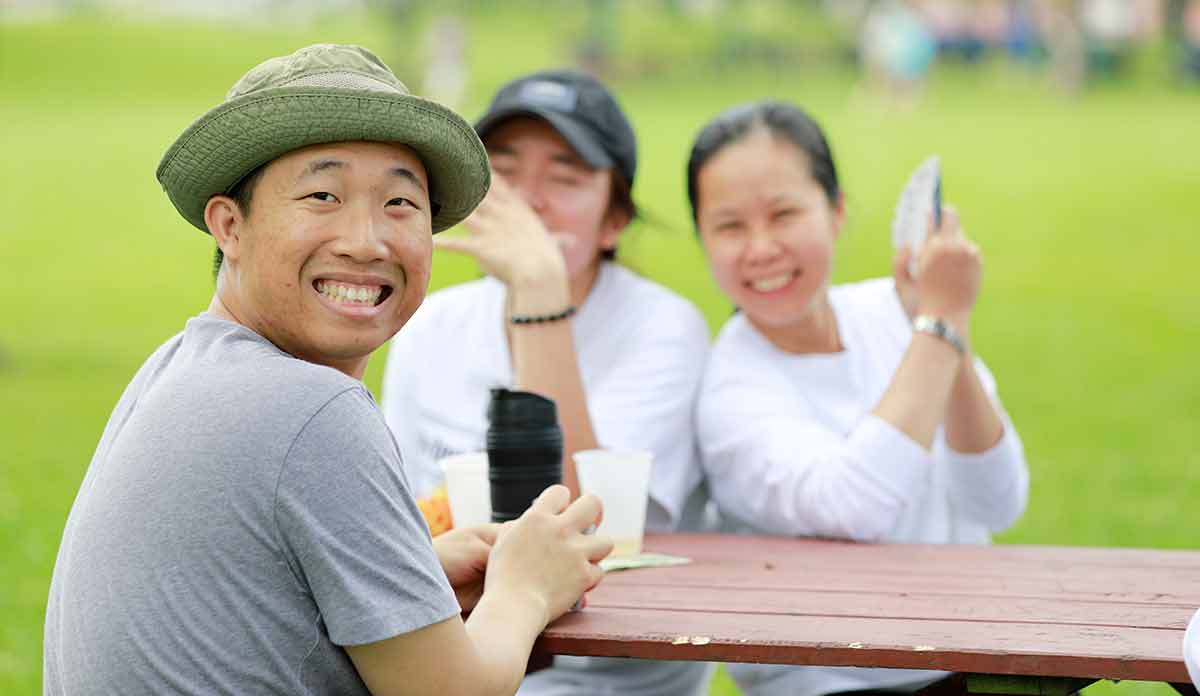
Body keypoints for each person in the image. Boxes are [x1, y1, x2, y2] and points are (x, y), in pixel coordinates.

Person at [43, 44, 612, 696]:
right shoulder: (311, 408)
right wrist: (525, 588)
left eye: (400, 203)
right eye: (322, 195)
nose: (365, 241)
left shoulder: (178, 367)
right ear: (230, 225)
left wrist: (412, 572)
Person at [381, 70, 714, 695]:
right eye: (503, 172)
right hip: (458, 664)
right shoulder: (429, 326)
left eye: (564, 178)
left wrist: (540, 291)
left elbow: (587, 530)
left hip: (605, 681)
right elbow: (402, 525)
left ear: (614, 219)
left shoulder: (664, 329)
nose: (529, 202)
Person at [688, 100, 1029, 696]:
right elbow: (855, 507)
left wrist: (945, 337)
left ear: (836, 210)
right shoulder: (732, 387)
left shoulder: (894, 313)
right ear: (703, 240)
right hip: (826, 684)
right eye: (730, 226)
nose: (761, 247)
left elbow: (998, 500)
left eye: (784, 213)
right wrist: (941, 322)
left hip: (968, 669)